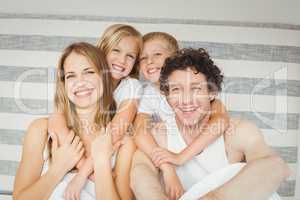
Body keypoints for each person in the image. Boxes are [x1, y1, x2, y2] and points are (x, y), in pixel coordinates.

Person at [131, 48, 290, 200]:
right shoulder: (159, 135)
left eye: (196, 89)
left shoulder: (237, 130)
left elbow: (275, 166)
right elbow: (141, 172)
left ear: (212, 92)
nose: (186, 100)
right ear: (167, 96)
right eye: (176, 90)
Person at [13, 42, 135, 200]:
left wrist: (101, 162)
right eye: (71, 76)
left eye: (89, 72)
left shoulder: (123, 142)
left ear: (104, 78)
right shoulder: (41, 130)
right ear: (63, 85)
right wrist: (58, 168)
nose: (80, 82)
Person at [48, 24, 142, 199]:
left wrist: (83, 175)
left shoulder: (131, 87)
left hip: (112, 151)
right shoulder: (83, 82)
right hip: (82, 153)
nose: (122, 60)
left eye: (130, 56)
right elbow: (56, 119)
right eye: (116, 51)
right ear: (102, 51)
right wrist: (83, 165)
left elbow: (114, 134)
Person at [132, 32, 229, 199]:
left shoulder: (200, 94)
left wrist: (181, 158)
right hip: (170, 155)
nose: (149, 61)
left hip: (198, 153)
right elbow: (139, 131)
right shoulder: (147, 94)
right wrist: (168, 169)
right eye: (143, 58)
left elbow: (221, 121)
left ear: (174, 59)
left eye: (157, 54)